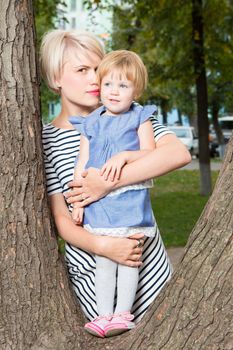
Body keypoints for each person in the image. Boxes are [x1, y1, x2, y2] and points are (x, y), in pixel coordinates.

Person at [41, 29, 191, 337]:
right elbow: (61, 219)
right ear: (56, 78)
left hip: (147, 267)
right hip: (93, 272)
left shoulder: (130, 114)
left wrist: (106, 183)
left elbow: (177, 153)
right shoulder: (47, 140)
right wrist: (105, 246)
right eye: (81, 70)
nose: (94, 79)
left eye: (98, 69)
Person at [69, 50, 160, 337]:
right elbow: (81, 164)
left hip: (129, 200)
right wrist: (78, 201)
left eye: (123, 85)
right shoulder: (91, 121)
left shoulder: (140, 117)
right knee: (105, 259)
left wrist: (124, 156)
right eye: (108, 84)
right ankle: (102, 314)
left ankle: (123, 313)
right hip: (98, 201)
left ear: (136, 89)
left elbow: (150, 153)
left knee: (129, 256)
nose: (114, 91)